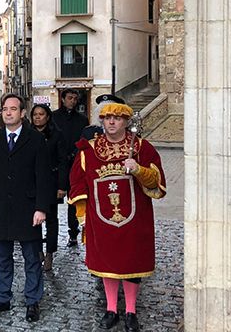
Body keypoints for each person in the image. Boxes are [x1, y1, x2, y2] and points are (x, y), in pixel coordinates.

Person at [68, 102, 166, 331]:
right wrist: (82, 217)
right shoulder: (88, 150)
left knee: (132, 262)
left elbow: (158, 183)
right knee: (107, 263)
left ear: (126, 122)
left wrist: (139, 170)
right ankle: (111, 309)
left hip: (134, 219)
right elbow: (77, 184)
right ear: (101, 121)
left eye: (117, 118)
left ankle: (131, 311)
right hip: (101, 220)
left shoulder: (142, 148)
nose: (112, 122)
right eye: (107, 118)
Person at [0, 94, 51, 323]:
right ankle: (3, 298)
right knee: (3, 257)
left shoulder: (36, 140)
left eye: (13, 109)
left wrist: (41, 208)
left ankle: (32, 301)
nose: (8, 113)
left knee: (31, 257)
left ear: (22, 113)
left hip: (28, 209)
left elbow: (43, 177)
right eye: (5, 109)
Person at [29, 104, 70, 271]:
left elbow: (63, 161)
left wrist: (62, 185)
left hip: (52, 182)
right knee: (33, 220)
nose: (38, 117)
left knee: (51, 220)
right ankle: (37, 250)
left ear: (47, 117)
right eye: (35, 115)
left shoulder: (57, 135)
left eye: (41, 114)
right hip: (31, 183)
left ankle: (50, 253)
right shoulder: (27, 134)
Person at [51, 88, 89, 247]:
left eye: (75, 98)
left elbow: (83, 139)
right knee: (53, 202)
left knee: (73, 200)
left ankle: (73, 233)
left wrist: (74, 153)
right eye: (70, 98)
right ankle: (51, 234)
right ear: (63, 99)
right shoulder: (53, 117)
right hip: (57, 165)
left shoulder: (82, 119)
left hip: (74, 163)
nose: (72, 101)